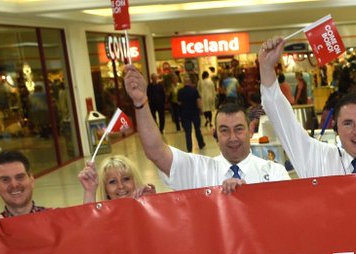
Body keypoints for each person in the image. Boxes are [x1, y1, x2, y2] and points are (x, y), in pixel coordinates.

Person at [259, 36, 356, 178]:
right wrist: (266, 68)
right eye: (347, 123)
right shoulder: (318, 159)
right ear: (336, 127)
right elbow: (283, 120)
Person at [124, 64, 289, 193]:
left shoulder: (274, 173)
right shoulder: (198, 170)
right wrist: (141, 102)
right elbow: (156, 152)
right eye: (224, 130)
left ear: (251, 130)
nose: (232, 138)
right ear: (215, 133)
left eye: (239, 129)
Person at [77, 155, 156, 204]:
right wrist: (90, 192)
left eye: (126, 179)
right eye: (112, 182)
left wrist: (151, 201)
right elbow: (88, 224)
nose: (121, 186)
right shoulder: (103, 217)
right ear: (105, 189)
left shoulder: (148, 202)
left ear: (135, 181)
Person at [177, 72, 206, 153]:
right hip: (194, 112)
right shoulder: (194, 90)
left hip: (185, 113)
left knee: (188, 131)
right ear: (189, 82)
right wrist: (201, 110)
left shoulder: (180, 91)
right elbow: (198, 101)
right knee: (197, 129)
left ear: (184, 83)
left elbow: (179, 103)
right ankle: (201, 143)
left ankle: (189, 147)